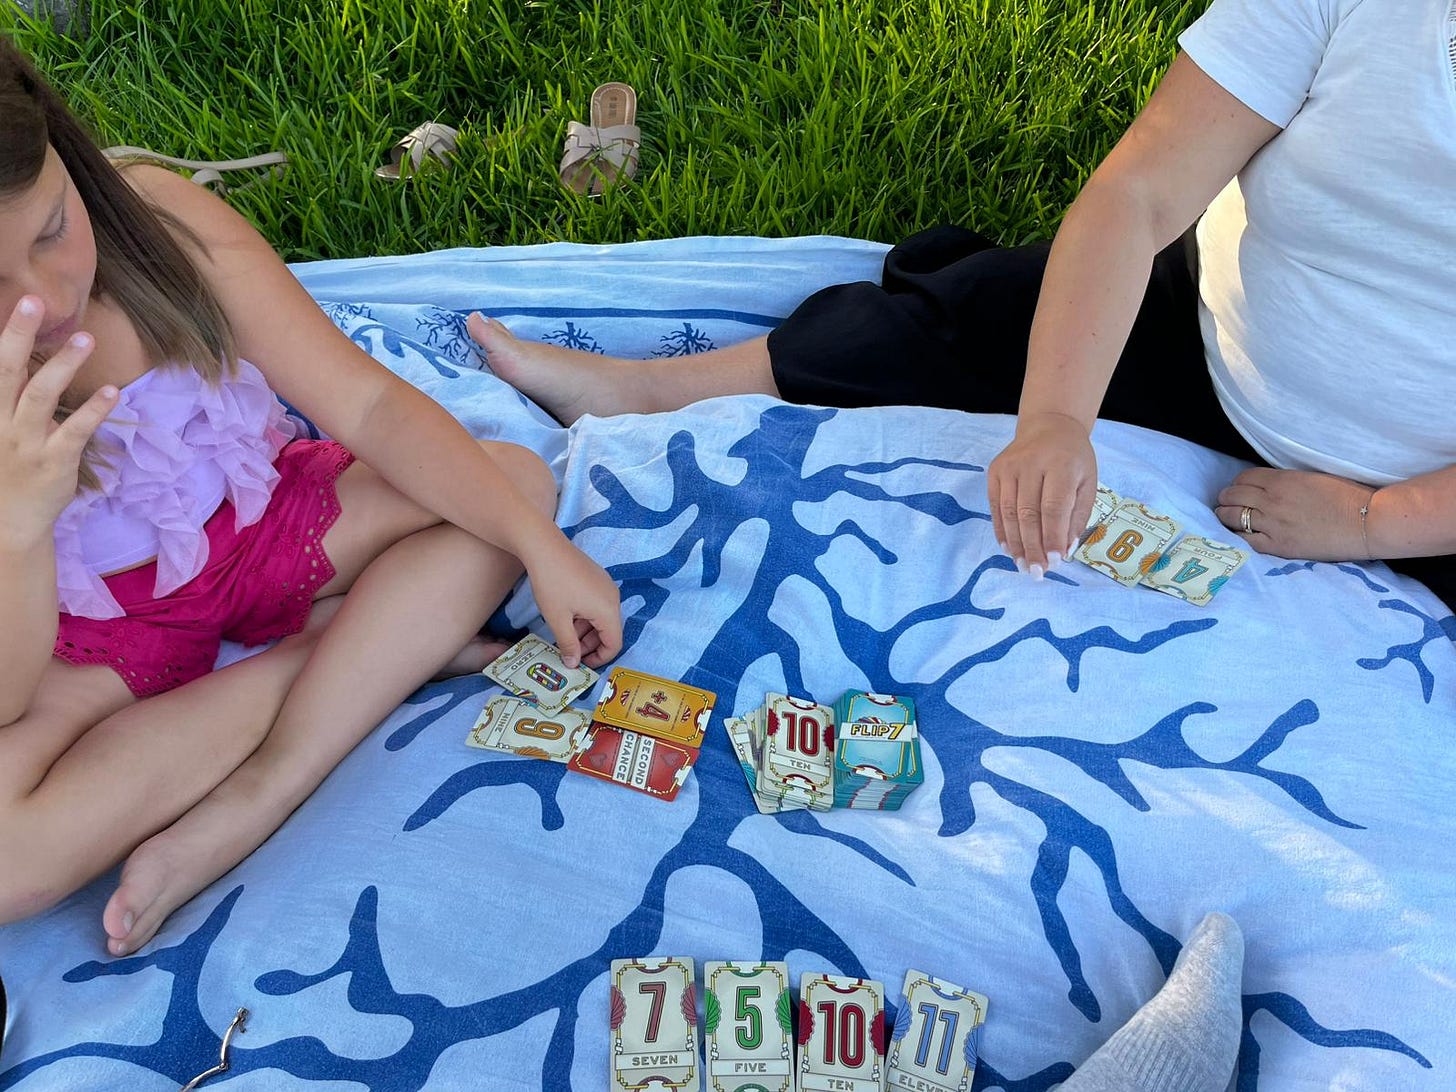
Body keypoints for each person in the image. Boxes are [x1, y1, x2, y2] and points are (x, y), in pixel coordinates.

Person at [470, 0, 1456, 611]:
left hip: (1434, 495)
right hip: (1216, 338)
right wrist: (1055, 419)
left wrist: (1376, 521)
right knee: (977, 308)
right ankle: (646, 389)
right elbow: (1136, 195)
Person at [0, 38, 623, 957]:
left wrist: (540, 545)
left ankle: (265, 786)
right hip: (86, 632)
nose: (45, 301)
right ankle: (349, 652)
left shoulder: (156, 220)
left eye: (51, 228)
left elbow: (366, 403)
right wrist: (17, 529)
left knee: (515, 485)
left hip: (275, 529)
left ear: (64, 147)